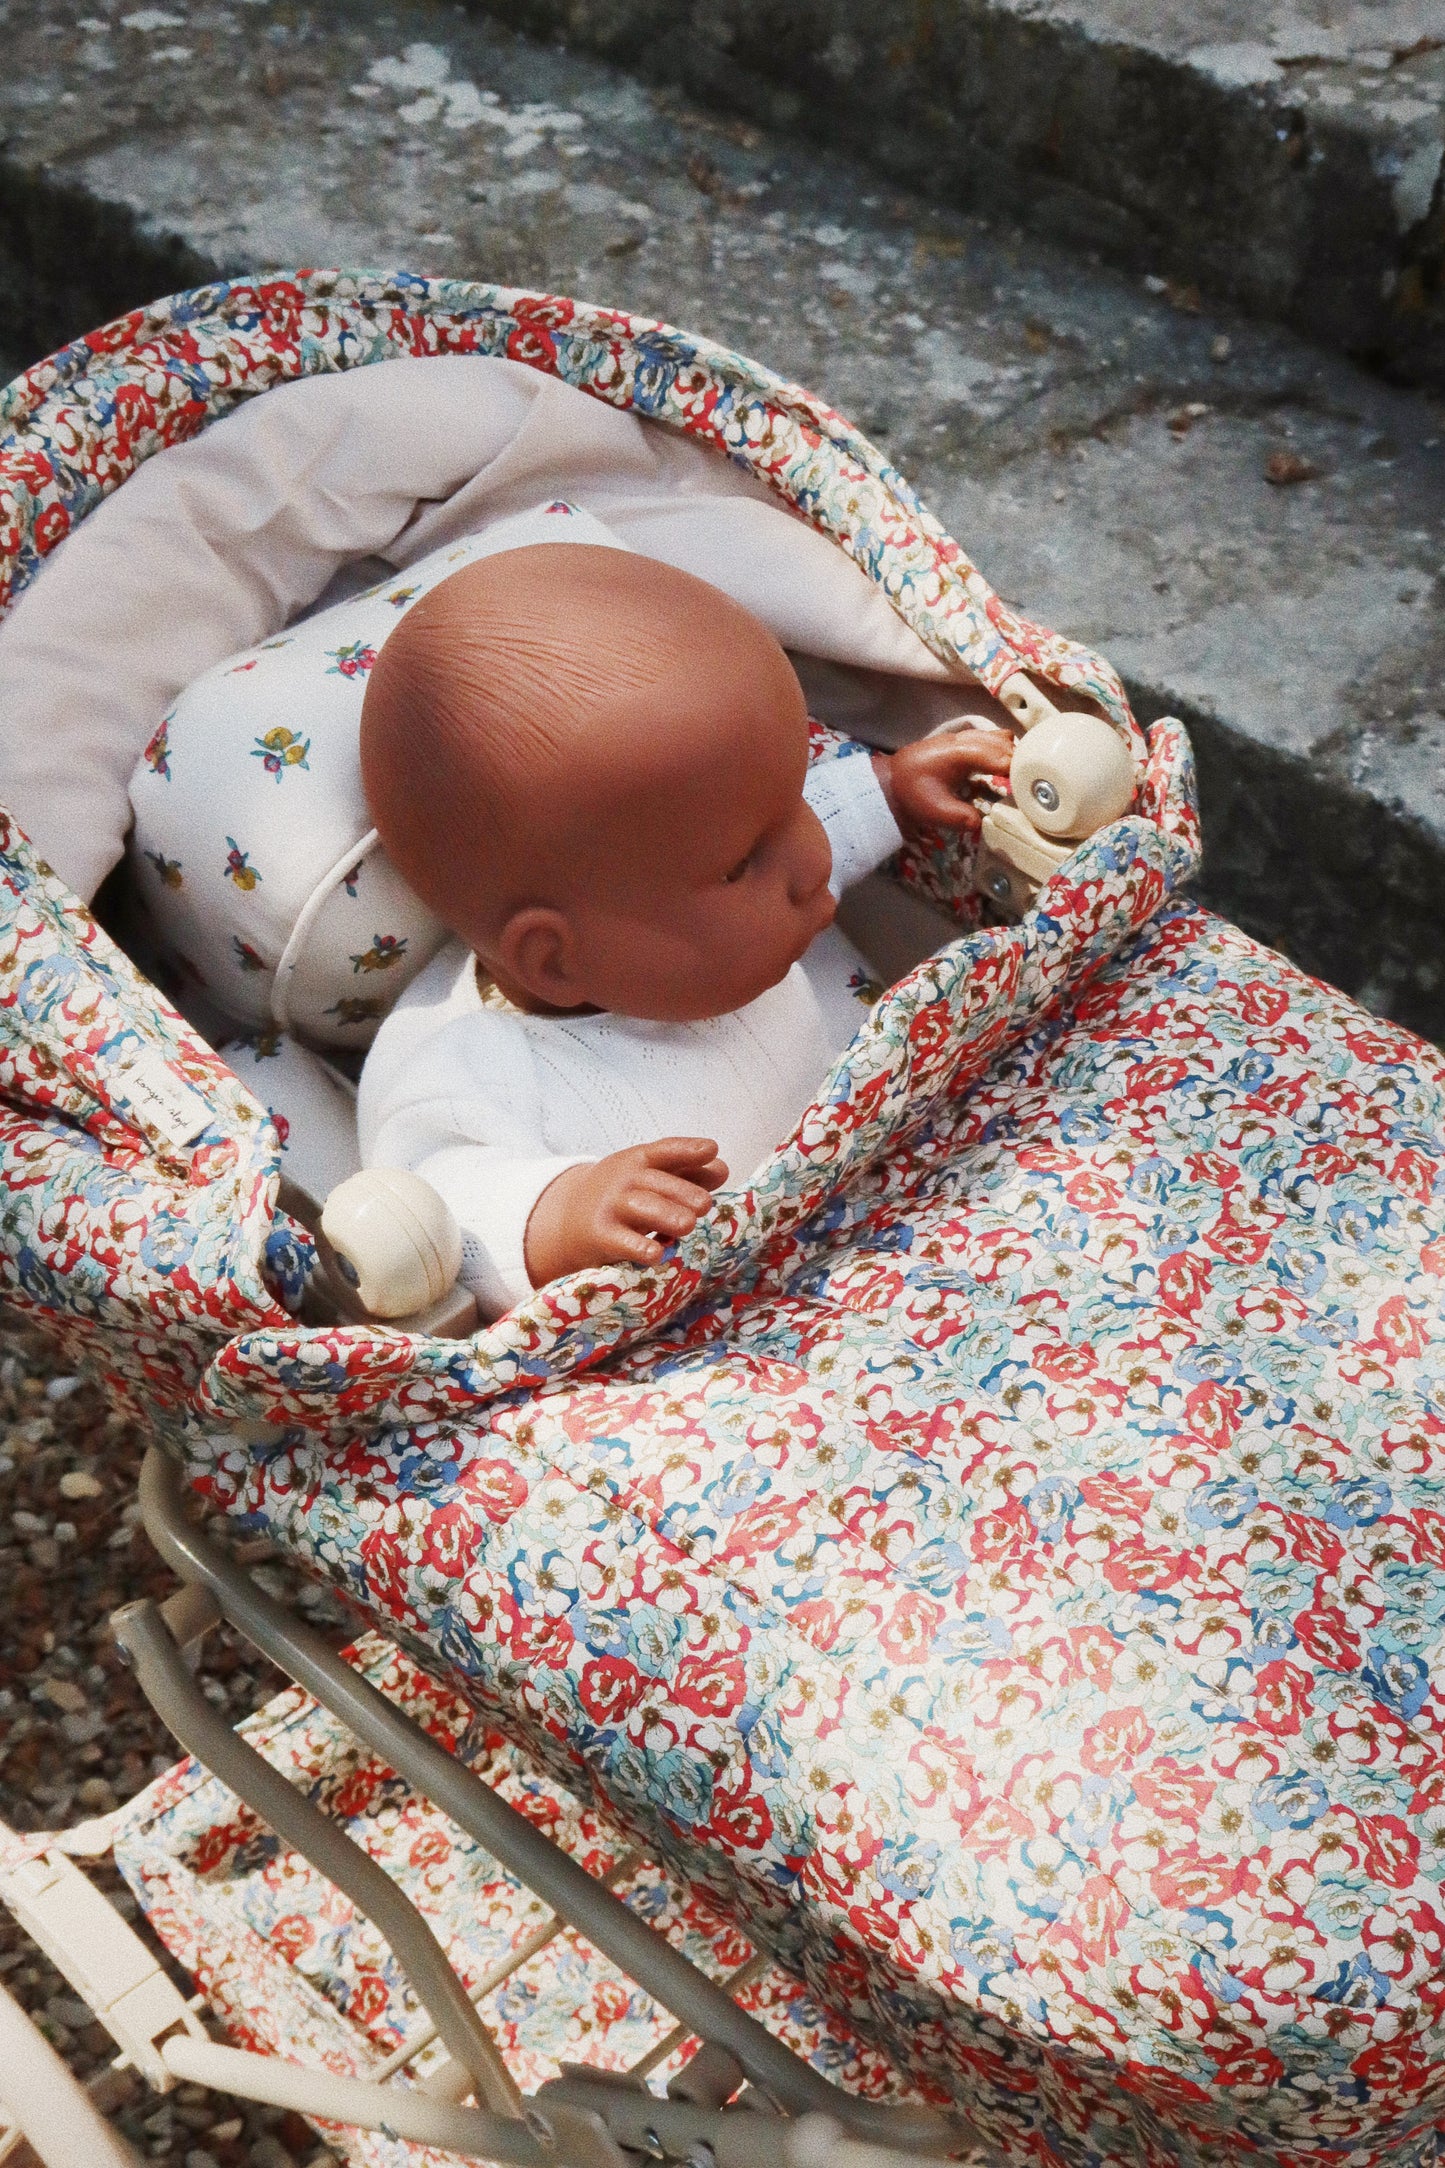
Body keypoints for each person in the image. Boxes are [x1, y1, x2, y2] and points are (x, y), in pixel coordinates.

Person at [357, 542, 1012, 1314]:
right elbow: (435, 1206)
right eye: (743, 865)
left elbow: (781, 828)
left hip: (889, 1194)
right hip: (752, 1318)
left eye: (795, 801)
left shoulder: (695, 899)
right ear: (555, 961)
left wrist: (893, 790)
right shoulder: (476, 1070)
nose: (809, 859)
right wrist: (562, 1214)